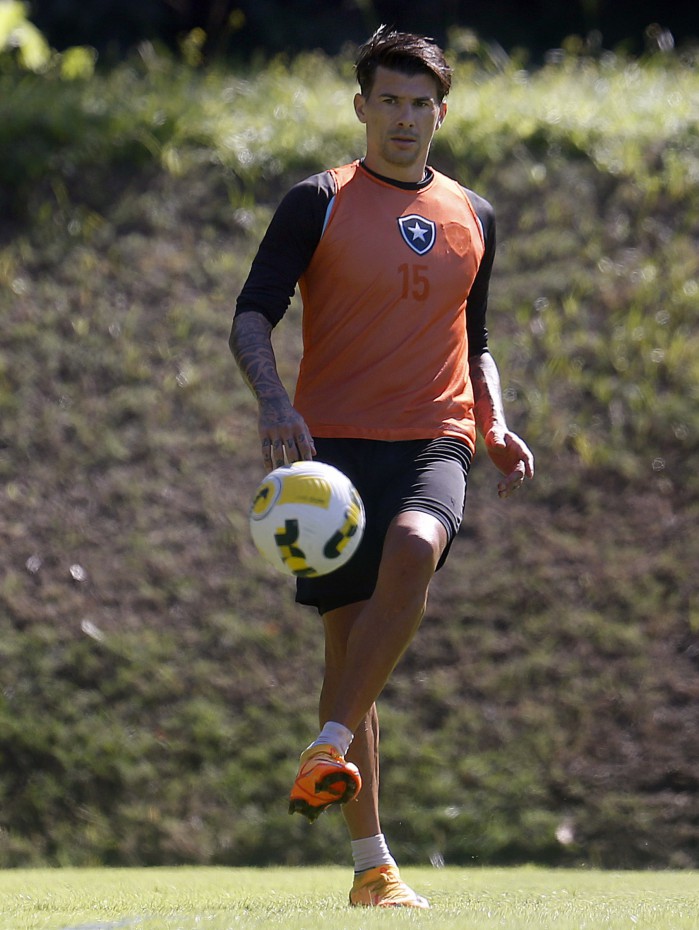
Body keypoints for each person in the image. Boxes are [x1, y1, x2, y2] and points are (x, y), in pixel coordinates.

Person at [230, 25, 534, 908]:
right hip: (330, 454)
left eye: (420, 104)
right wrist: (272, 402)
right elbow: (252, 314)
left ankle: (324, 741)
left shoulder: (472, 214)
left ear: (441, 112)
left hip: (434, 437)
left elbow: (474, 342)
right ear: (361, 108)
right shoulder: (316, 201)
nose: (404, 120)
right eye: (388, 102)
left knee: (414, 547)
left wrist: (495, 420)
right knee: (349, 646)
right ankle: (374, 871)